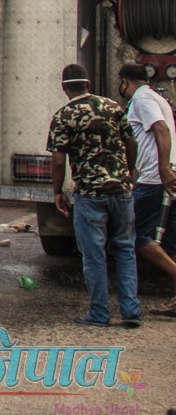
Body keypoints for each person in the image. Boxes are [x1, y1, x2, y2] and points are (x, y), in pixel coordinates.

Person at [48, 63, 140, 327]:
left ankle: (99, 313)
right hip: (121, 191)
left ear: (65, 87)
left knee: (94, 254)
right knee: (125, 249)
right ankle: (131, 311)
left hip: (90, 194)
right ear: (88, 83)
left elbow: (57, 160)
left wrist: (57, 192)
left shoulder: (64, 115)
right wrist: (128, 172)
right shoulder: (113, 107)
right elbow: (131, 142)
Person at [117, 63, 176, 317]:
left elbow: (160, 129)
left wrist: (162, 169)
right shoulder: (155, 97)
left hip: (154, 179)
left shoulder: (142, 99)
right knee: (171, 242)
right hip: (157, 176)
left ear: (124, 82)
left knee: (137, 235)